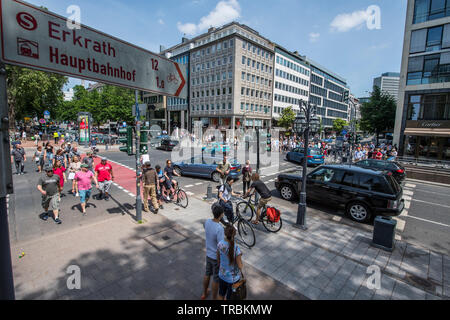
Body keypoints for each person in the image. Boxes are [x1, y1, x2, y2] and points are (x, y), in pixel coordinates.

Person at [201, 204, 225, 300]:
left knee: (207, 274)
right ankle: (214, 298)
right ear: (221, 214)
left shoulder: (207, 222)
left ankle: (204, 293)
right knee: (216, 279)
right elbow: (221, 247)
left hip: (208, 255)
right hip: (216, 257)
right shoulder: (219, 228)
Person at [217, 225, 244, 301]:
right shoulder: (236, 248)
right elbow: (240, 266)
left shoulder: (220, 244)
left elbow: (218, 259)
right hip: (233, 279)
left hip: (222, 275)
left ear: (225, 233)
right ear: (234, 235)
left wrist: (221, 268)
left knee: (221, 294)